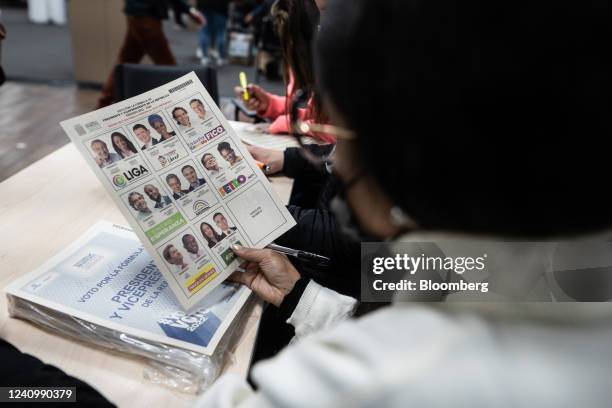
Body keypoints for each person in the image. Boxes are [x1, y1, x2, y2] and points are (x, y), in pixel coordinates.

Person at [195, 0, 612, 406]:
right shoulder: (542, 261)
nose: (334, 159)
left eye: (345, 134)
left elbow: (392, 313)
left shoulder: (377, 376)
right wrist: (303, 299)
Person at [234, 0, 335, 143]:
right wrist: (270, 104)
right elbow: (316, 113)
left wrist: (294, 125)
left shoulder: (344, 51)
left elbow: (349, 133)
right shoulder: (302, 53)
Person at [97, 0, 205, 107]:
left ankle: (102, 104)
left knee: (126, 60)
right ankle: (183, 104)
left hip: (138, 15)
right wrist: (188, 10)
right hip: (145, 16)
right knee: (167, 66)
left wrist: (188, 10)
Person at [196, 0, 231, 66]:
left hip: (204, 8)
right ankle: (221, 57)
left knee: (205, 32)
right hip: (220, 9)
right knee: (220, 33)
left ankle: (204, 56)